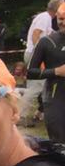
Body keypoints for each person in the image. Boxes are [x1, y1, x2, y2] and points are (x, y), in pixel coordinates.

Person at [25, 10, 65, 141]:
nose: (63, 23)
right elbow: (31, 72)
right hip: (56, 97)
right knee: (59, 143)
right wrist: (56, 71)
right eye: (60, 19)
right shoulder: (47, 42)